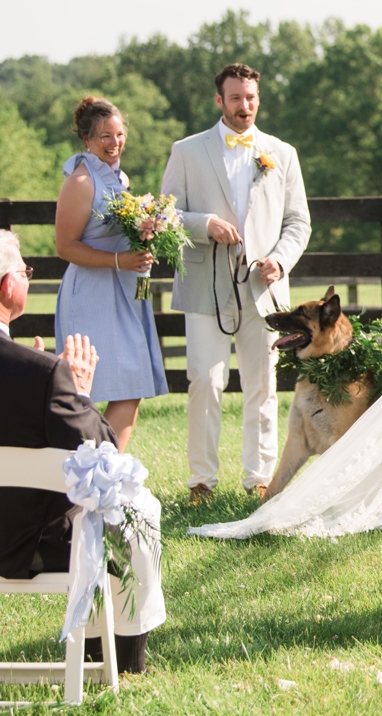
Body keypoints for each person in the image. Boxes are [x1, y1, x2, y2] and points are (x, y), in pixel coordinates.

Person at [0, 229, 161, 673]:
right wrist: (79, 392)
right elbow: (106, 455)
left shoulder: (38, 372)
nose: (27, 279)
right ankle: (120, 660)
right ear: (8, 287)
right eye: (24, 271)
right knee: (138, 509)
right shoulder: (42, 373)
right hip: (27, 544)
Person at [161, 63, 310, 503]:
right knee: (204, 381)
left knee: (262, 383)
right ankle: (201, 481)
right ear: (218, 101)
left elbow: (298, 221)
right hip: (206, 287)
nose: (244, 106)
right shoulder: (187, 151)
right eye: (235, 98)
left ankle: (258, 477)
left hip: (263, 293)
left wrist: (279, 262)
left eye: (251, 98)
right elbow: (167, 216)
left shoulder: (281, 152)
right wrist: (204, 223)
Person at [53, 96, 169, 450]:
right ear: (87, 139)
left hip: (124, 292)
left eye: (119, 134)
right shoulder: (81, 182)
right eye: (105, 136)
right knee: (90, 389)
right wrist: (119, 261)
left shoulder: (120, 179)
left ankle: (105, 474)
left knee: (130, 385)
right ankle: (90, 476)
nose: (115, 142)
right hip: (91, 295)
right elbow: (65, 246)